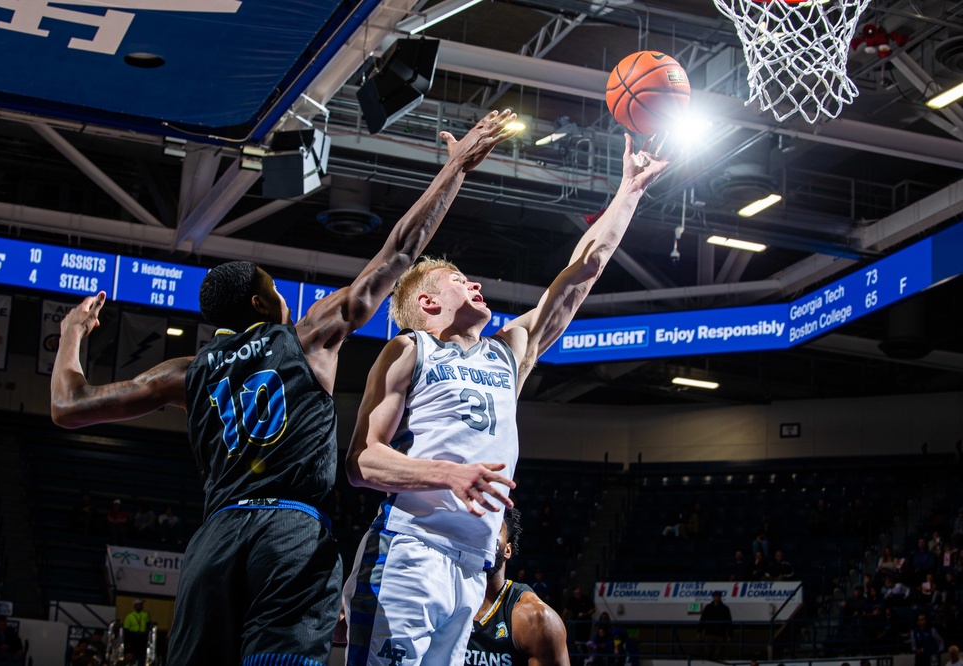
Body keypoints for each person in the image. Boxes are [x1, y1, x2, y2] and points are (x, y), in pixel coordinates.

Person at [50, 108, 518, 666]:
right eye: (275, 290)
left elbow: (69, 406)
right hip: (290, 532)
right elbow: (398, 252)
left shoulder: (185, 372)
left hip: (217, 535)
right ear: (260, 304)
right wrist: (455, 168)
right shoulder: (306, 337)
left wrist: (70, 333)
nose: (284, 298)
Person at [343, 133, 674, 666]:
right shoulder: (410, 349)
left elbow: (582, 272)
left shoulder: (507, 353)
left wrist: (629, 191)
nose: (475, 284)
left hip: (473, 567)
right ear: (427, 301)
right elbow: (361, 462)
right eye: (458, 280)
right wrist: (448, 474)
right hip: (409, 550)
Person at [466, 508, 570, 666]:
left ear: (507, 550)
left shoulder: (536, 619)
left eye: (493, 531)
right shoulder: (444, 601)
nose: (484, 539)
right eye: (478, 530)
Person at [698, 590, 733, 660]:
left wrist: (730, 634)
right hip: (709, 633)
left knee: (718, 654)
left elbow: (729, 622)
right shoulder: (708, 607)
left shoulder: (725, 608)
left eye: (718, 596)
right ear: (713, 597)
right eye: (715, 596)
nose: (716, 597)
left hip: (720, 633)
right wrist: (699, 631)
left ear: (720, 597)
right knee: (707, 652)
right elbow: (703, 619)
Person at [123, 598, 150, 666]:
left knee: (142, 655)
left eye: (141, 605)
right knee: (133, 654)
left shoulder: (146, 614)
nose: (140, 606)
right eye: (138, 605)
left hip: (143, 637)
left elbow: (148, 625)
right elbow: (126, 629)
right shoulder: (130, 616)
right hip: (133, 636)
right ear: (134, 606)